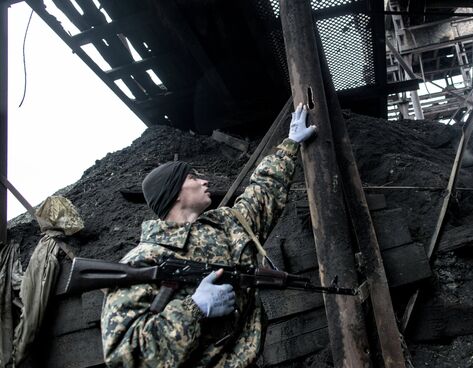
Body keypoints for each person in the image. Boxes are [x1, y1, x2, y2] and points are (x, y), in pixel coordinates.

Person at [100, 104, 316, 368]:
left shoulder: (223, 223)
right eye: (192, 177)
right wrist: (194, 309)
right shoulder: (143, 261)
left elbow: (262, 195)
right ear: (175, 193)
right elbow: (127, 357)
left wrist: (290, 143)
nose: (205, 181)